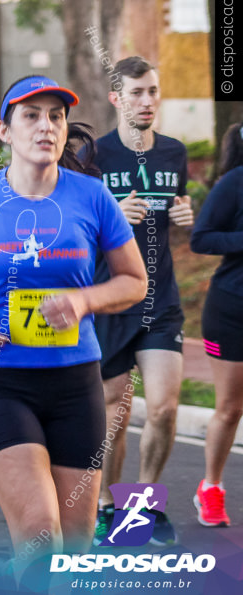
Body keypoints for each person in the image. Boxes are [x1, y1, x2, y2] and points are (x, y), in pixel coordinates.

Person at [0, 76, 147, 559]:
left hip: (76, 385)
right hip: (1, 385)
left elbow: (134, 281)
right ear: (4, 131)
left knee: (76, 543)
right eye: (31, 115)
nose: (45, 126)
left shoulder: (92, 197)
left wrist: (84, 302)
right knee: (40, 532)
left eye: (56, 116)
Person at [92, 57, 193, 546]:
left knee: (163, 409)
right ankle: (106, 505)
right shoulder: (94, 156)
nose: (148, 101)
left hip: (160, 300)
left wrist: (187, 216)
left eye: (153, 91)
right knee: (113, 409)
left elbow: (175, 214)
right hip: (111, 299)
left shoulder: (174, 153)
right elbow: (72, 229)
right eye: (137, 93)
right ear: (116, 98)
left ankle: (143, 505)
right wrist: (111, 212)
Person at [190, 120, 243, 528]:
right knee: (230, 408)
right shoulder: (234, 183)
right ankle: (211, 489)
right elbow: (201, 238)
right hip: (233, 310)